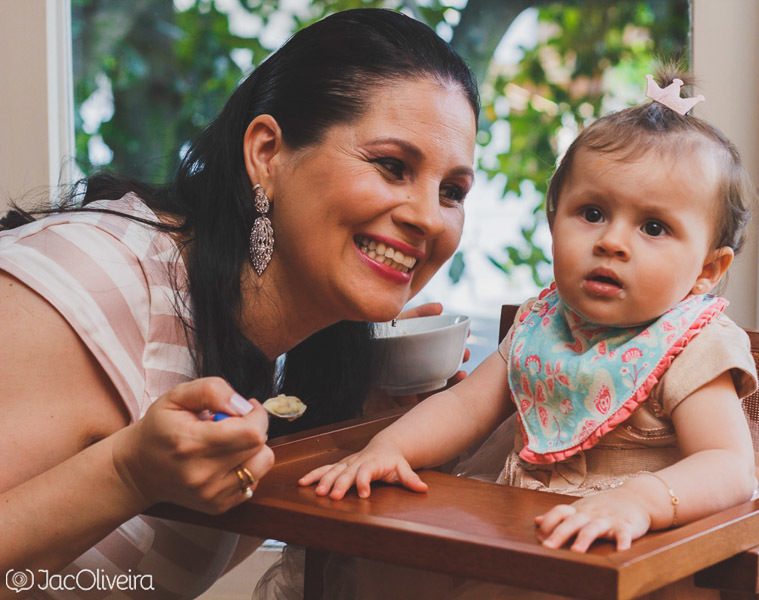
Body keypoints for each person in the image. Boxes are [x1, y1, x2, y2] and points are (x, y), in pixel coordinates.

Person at [301, 68, 759, 599]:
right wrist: (387, 448)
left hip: (655, 552)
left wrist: (643, 502)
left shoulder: (693, 344)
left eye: (653, 227)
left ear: (707, 270)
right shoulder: (540, 324)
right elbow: (461, 408)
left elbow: (728, 466)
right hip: (531, 538)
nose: (612, 241)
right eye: (592, 213)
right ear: (553, 222)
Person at [0, 8, 478, 600]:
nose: (429, 217)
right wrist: (126, 474)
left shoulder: (300, 357)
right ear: (268, 153)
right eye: (391, 166)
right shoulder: (84, 281)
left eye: (452, 191)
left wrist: (370, 426)